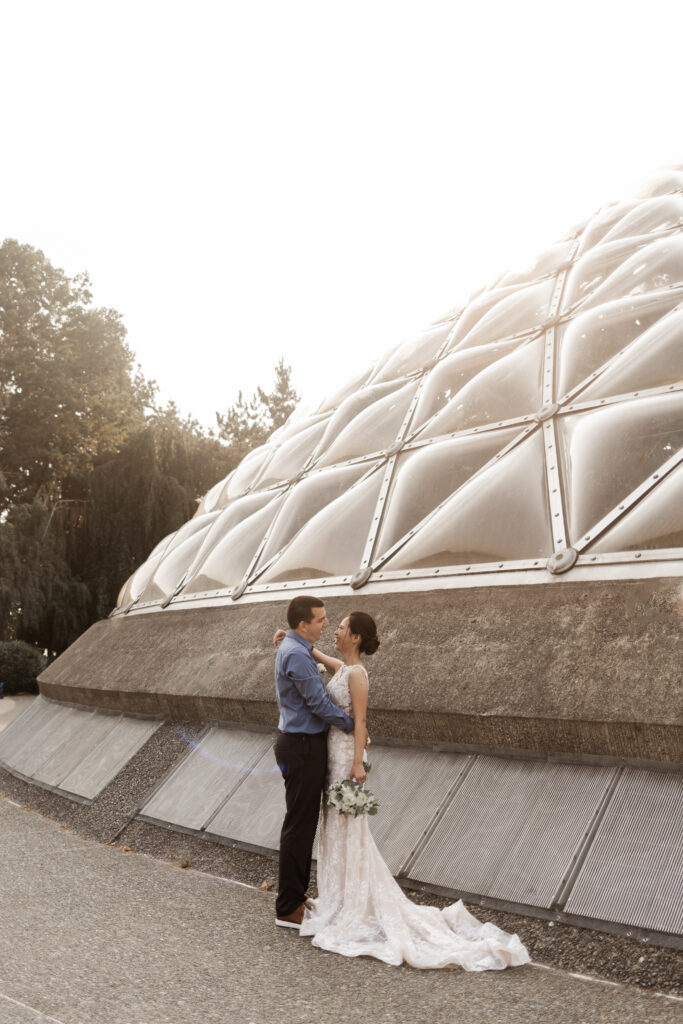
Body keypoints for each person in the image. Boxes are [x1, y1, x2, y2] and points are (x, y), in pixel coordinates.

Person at [276, 609, 530, 971]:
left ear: (357, 637)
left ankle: (353, 901)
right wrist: (295, 641)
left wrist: (358, 762)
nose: (335, 630)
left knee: (348, 827)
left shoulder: (359, 675)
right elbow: (333, 664)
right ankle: (339, 896)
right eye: (331, 624)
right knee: (332, 825)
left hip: (346, 755)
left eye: (343, 627)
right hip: (331, 755)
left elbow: (360, 720)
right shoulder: (345, 669)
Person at [273, 595, 362, 929]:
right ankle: (287, 907)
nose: (326, 624)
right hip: (301, 747)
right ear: (303, 624)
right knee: (299, 826)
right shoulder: (296, 653)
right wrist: (356, 728)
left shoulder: (295, 646)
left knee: (302, 824)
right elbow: (320, 705)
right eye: (321, 619)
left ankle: (294, 896)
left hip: (301, 745)